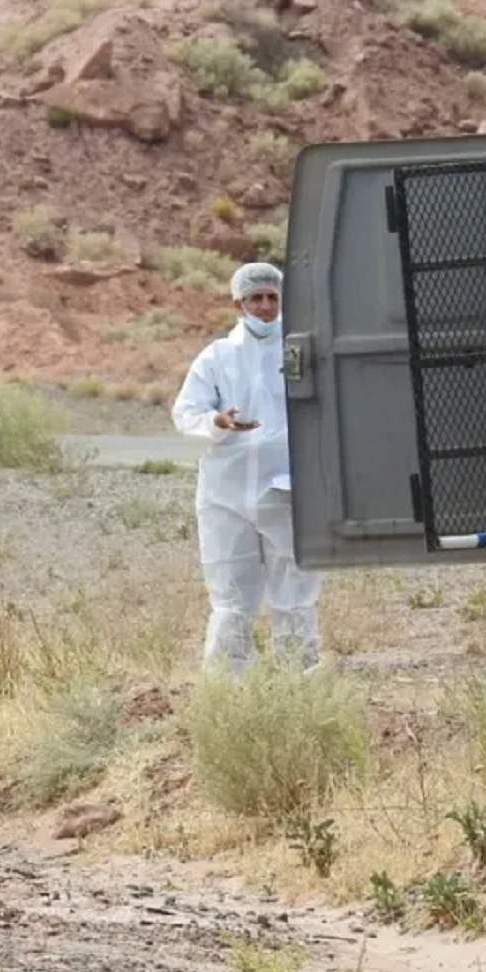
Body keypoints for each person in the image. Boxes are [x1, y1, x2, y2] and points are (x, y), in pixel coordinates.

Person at [171, 261, 320, 673]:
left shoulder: (300, 350)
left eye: (272, 297)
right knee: (231, 599)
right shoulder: (217, 357)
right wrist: (216, 424)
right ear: (239, 302)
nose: (266, 306)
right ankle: (231, 692)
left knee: (294, 595)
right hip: (226, 495)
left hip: (287, 492)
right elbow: (185, 413)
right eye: (256, 298)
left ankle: (300, 688)